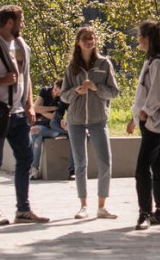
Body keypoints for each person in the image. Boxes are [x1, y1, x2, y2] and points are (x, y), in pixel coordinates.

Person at [0, 5, 48, 225]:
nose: (23, 24)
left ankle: (23, 210)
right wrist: (2, 82)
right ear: (9, 23)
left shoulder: (22, 44)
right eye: (21, 20)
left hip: (17, 114)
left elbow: (26, 77)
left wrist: (29, 104)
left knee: (25, 158)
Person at [60, 26, 120, 220]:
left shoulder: (104, 64)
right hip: (75, 120)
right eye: (85, 38)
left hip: (98, 119)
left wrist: (96, 88)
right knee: (80, 163)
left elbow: (114, 92)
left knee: (105, 161)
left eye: (92, 37)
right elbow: (63, 96)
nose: (89, 40)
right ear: (78, 42)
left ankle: (102, 206)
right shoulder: (72, 67)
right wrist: (76, 92)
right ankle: (83, 205)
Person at [127, 20, 160, 230]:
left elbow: (158, 92)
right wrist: (135, 117)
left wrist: (145, 112)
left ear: (147, 38)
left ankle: (144, 212)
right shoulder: (152, 61)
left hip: (154, 123)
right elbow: (145, 92)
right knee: (156, 164)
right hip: (149, 121)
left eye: (140, 36)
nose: (138, 40)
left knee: (142, 168)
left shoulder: (158, 63)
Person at [30, 80, 72, 181]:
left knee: (39, 131)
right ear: (53, 85)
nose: (57, 93)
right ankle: (34, 169)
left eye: (59, 91)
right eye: (56, 89)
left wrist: (42, 110)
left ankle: (34, 169)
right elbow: (35, 108)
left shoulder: (63, 98)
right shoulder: (44, 91)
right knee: (37, 136)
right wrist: (53, 107)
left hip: (52, 126)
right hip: (42, 125)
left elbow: (54, 116)